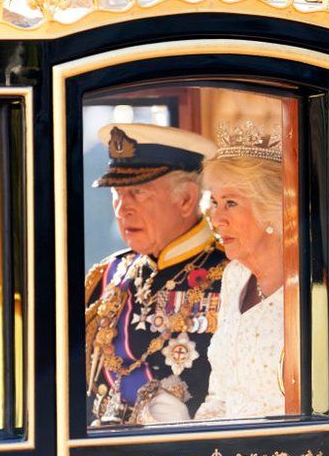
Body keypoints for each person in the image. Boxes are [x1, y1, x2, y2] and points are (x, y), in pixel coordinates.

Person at [85, 123, 228, 426]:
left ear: (187, 200)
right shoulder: (111, 273)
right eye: (117, 193)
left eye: (138, 192)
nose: (123, 209)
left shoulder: (231, 274)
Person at [195, 121, 286, 420]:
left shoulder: (318, 288)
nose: (217, 218)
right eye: (215, 202)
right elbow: (220, 395)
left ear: (271, 210)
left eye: (231, 203)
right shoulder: (234, 277)